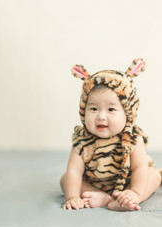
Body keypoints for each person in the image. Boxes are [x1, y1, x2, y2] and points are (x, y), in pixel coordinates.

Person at [60, 58, 162, 211]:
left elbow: (139, 168)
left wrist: (135, 191)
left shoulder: (133, 138)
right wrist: (72, 196)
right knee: (66, 179)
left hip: (129, 182)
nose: (101, 116)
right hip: (94, 184)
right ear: (83, 110)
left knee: (153, 175)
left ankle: (131, 198)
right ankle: (102, 197)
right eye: (93, 109)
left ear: (128, 113)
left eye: (111, 110)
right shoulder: (82, 140)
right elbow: (74, 170)